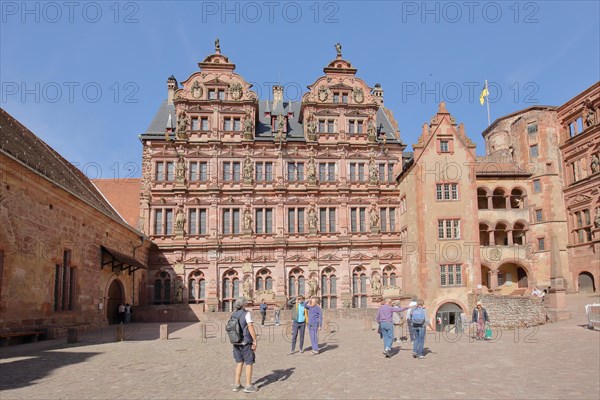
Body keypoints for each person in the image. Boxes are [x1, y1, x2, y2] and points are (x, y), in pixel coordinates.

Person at [231, 297, 258, 393]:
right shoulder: (246, 313)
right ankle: (248, 385)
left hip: (235, 342)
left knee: (239, 362)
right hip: (245, 342)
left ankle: (237, 384)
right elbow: (250, 326)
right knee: (249, 363)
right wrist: (255, 340)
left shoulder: (233, 314)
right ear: (243, 304)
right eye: (245, 303)